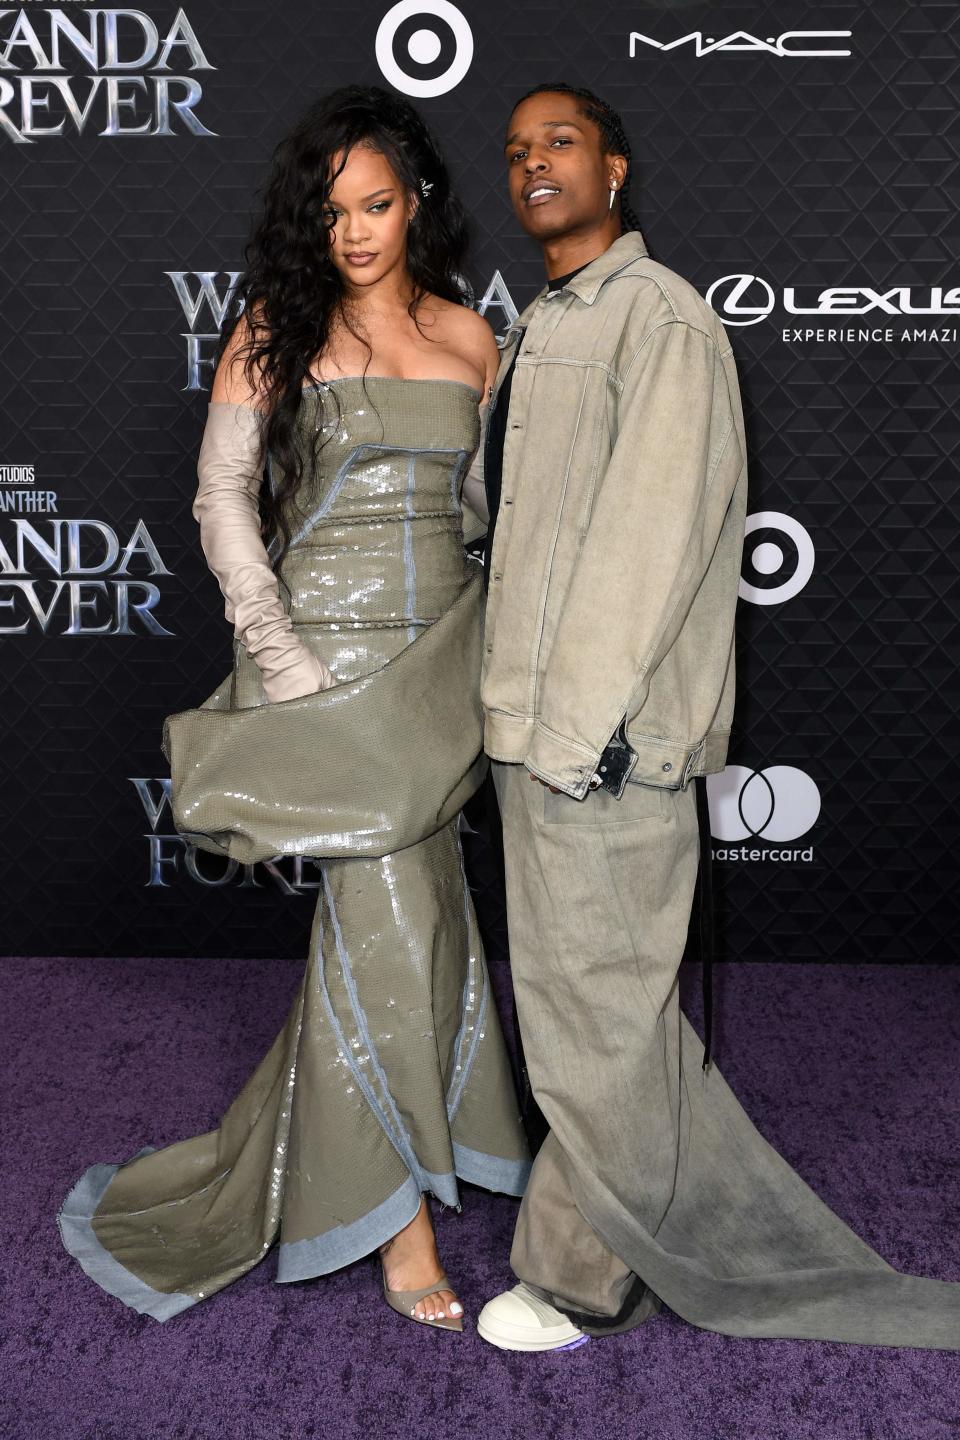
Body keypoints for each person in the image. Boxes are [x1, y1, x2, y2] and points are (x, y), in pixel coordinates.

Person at [474, 82, 960, 1352]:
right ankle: (614, 1228)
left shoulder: (664, 322)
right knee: (591, 1012)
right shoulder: (538, 326)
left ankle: (583, 1277)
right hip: (532, 734)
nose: (534, 165)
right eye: (518, 150)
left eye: (561, 143)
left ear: (616, 170)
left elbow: (652, 546)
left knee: (599, 1023)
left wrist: (575, 737)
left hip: (603, 745)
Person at [57, 85, 530, 1332]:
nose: (357, 231)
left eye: (376, 205)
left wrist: (481, 660)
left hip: (434, 673)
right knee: (384, 921)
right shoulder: (275, 329)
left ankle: (388, 1158)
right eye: (332, 213)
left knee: (422, 919)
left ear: (415, 201)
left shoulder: (475, 338)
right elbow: (221, 498)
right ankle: (395, 1224)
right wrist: (282, 655)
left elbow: (485, 518)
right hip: (324, 665)